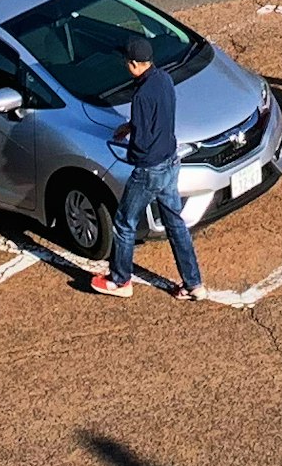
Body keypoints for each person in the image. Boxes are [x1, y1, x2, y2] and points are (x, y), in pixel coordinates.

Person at [88, 42, 207, 301]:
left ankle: (120, 280)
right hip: (170, 160)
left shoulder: (140, 96)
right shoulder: (163, 79)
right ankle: (193, 283)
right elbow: (158, 116)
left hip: (149, 168)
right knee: (175, 223)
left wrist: (130, 153)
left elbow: (141, 141)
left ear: (133, 64)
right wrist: (131, 126)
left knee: (124, 222)